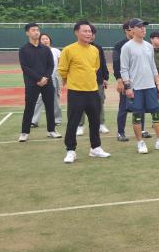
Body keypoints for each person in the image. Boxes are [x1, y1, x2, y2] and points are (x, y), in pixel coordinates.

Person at [58, 20, 111, 163]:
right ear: (77, 32)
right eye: (85, 31)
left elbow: (95, 67)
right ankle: (70, 150)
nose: (88, 34)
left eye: (90, 31)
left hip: (93, 91)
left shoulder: (94, 50)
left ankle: (95, 148)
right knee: (73, 122)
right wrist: (70, 80)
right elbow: (63, 70)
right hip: (76, 92)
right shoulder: (68, 50)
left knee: (95, 121)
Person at [120, 18, 159, 153]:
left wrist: (158, 84)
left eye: (144, 27)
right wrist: (128, 87)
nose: (143, 29)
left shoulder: (148, 46)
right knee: (137, 115)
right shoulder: (127, 47)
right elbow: (124, 69)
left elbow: (153, 67)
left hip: (150, 86)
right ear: (131, 29)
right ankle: (140, 142)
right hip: (136, 88)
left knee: (156, 114)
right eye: (139, 27)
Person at [18, 23, 60, 142]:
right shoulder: (23, 50)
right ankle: (25, 132)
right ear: (27, 33)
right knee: (29, 107)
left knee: (50, 106)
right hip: (32, 83)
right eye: (33, 30)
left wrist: (45, 78)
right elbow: (25, 67)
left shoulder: (46, 49)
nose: (36, 32)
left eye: (37, 30)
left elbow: (51, 65)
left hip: (47, 82)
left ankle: (51, 130)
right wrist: (38, 79)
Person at [78, 24, 110, 136]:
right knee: (81, 104)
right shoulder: (76, 48)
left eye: (92, 33)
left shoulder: (98, 48)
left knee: (99, 102)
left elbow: (102, 63)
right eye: (87, 32)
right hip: (82, 82)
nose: (90, 35)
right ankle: (80, 125)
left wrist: (105, 77)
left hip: (98, 81)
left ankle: (101, 124)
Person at [30, 33, 63, 128]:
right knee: (39, 99)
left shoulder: (56, 51)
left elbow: (61, 64)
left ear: (50, 40)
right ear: (39, 41)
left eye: (47, 39)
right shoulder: (37, 51)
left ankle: (57, 119)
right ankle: (33, 121)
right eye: (43, 39)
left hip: (54, 77)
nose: (45, 40)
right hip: (41, 79)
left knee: (55, 99)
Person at [112, 20, 136, 142]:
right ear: (127, 30)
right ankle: (120, 132)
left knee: (140, 107)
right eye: (133, 28)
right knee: (123, 107)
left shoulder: (142, 43)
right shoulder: (119, 45)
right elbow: (116, 65)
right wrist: (120, 80)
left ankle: (141, 130)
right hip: (126, 81)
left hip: (139, 81)